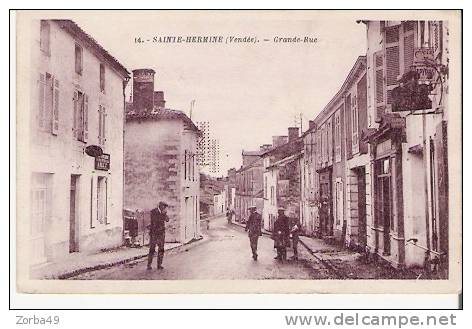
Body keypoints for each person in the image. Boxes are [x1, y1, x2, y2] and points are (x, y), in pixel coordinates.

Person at [147, 201, 169, 270]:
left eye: (165, 207)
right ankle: (149, 265)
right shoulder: (153, 212)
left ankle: (159, 265)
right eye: (164, 207)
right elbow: (155, 221)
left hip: (161, 234)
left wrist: (165, 215)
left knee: (161, 249)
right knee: (152, 249)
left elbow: (167, 220)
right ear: (161, 206)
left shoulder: (164, 213)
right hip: (154, 233)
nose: (165, 208)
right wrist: (162, 215)